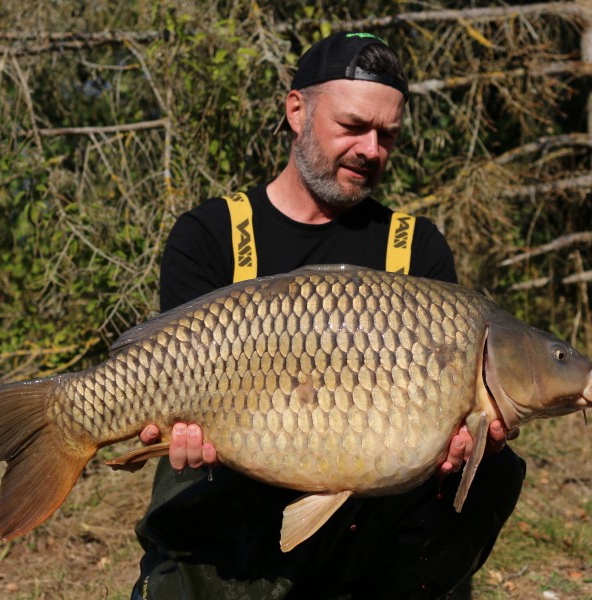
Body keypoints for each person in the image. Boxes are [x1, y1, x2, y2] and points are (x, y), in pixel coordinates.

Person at [131, 32, 525, 599]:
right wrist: (175, 436)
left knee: (495, 471)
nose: (371, 149)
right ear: (297, 110)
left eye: (387, 135)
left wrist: (461, 448)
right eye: (353, 127)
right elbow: (172, 383)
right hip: (233, 494)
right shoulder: (210, 235)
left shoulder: (415, 249)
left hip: (372, 512)